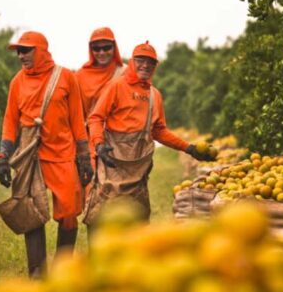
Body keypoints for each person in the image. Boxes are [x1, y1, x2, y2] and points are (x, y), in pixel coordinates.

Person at [0, 31, 93, 278]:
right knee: (30, 211)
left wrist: (84, 156)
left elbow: (77, 119)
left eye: (25, 50)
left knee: (70, 211)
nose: (20, 56)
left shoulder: (66, 77)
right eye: (18, 51)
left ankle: (63, 271)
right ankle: (37, 273)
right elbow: (10, 121)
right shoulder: (17, 81)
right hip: (30, 155)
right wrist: (3, 157)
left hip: (62, 153)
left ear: (40, 50)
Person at [87, 41, 214, 222]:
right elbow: (95, 117)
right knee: (106, 214)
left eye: (151, 62)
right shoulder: (116, 86)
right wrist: (99, 144)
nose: (145, 65)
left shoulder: (155, 95)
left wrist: (189, 149)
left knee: (138, 217)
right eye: (140, 60)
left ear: (155, 66)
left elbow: (159, 131)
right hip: (112, 161)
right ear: (132, 61)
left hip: (139, 167)